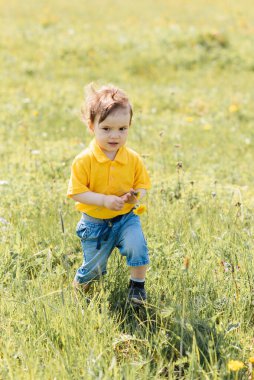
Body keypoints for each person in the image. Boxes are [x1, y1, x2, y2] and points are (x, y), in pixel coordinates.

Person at [66, 83, 151, 304]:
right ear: (91, 126)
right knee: (93, 269)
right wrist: (103, 200)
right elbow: (77, 192)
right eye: (107, 129)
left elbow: (141, 184)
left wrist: (135, 196)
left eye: (122, 129)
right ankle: (79, 296)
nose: (115, 136)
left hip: (125, 218)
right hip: (95, 224)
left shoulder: (132, 158)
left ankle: (137, 287)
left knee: (137, 245)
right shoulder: (84, 160)